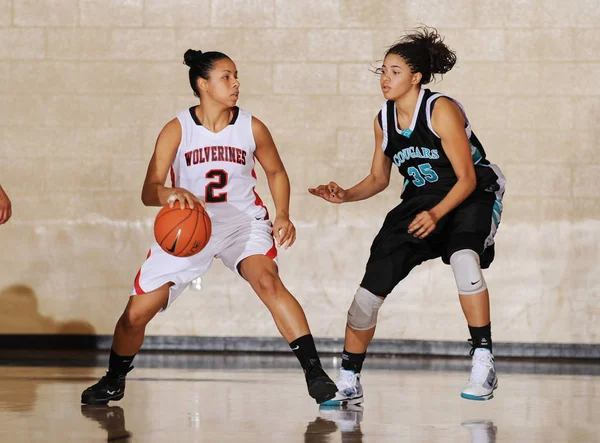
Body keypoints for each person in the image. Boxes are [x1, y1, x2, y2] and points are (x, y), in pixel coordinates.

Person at [81, 49, 337, 405]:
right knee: (135, 314)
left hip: (241, 223)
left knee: (268, 280)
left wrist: (282, 214)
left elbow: (276, 172)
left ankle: (316, 374)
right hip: (188, 229)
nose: (235, 84)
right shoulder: (177, 129)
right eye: (226, 77)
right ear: (203, 85)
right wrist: (171, 192)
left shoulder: (251, 126)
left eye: (236, 76)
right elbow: (148, 191)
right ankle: (114, 379)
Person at [309, 27, 506, 404]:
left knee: (465, 260)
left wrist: (437, 214)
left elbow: (465, 179)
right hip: (419, 202)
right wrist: (345, 194)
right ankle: (349, 379)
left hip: (471, 194)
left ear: (416, 76)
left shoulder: (440, 109)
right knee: (369, 291)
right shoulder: (383, 120)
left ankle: (483, 361)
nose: (385, 78)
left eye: (395, 71)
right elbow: (379, 179)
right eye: (383, 70)